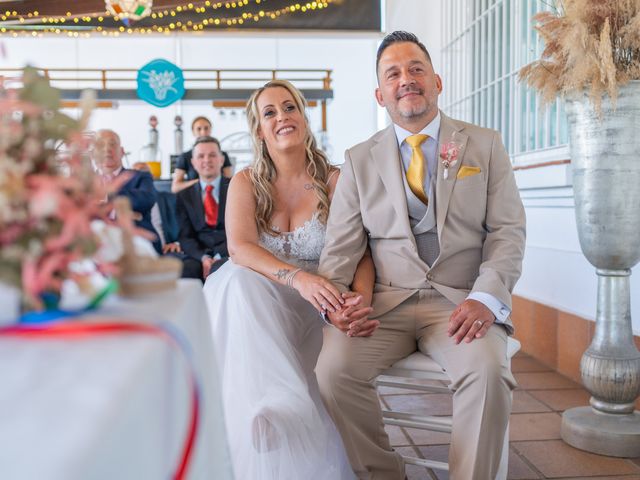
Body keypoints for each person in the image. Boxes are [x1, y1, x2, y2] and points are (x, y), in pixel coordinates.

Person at [316, 31, 526, 480]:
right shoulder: (357, 159)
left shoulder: (484, 145)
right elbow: (341, 248)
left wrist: (485, 299)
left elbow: (507, 233)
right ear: (380, 93)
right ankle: (384, 473)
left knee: (489, 372)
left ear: (437, 81)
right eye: (393, 73)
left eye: (416, 69)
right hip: (384, 306)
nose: (406, 80)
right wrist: (336, 307)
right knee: (333, 372)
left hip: (461, 303)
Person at [203, 79, 374, 480]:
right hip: (268, 298)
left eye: (290, 107)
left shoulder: (335, 180)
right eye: (270, 112)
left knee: (245, 289)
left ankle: (283, 414)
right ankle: (268, 409)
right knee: (237, 282)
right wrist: (297, 278)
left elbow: (364, 251)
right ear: (260, 130)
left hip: (320, 306)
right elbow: (240, 248)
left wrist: (359, 301)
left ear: (303, 116)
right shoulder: (246, 182)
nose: (282, 117)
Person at [92, 129, 161, 254]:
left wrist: (109, 193)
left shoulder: (140, 176)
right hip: (95, 241)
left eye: (112, 144)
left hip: (136, 240)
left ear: (122, 151)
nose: (107, 149)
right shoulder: (83, 183)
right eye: (101, 145)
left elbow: (146, 200)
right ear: (93, 154)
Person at [175, 136, 230, 279]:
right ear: (193, 162)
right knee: (184, 271)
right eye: (201, 156)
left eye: (212, 155)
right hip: (198, 255)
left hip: (230, 251)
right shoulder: (183, 196)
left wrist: (219, 255)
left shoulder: (236, 188)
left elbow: (243, 229)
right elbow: (185, 237)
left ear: (222, 159)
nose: (207, 160)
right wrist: (204, 257)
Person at [131, 161, 182, 255]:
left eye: (144, 174)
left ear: (152, 177)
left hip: (167, 250)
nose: (140, 178)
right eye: (135, 174)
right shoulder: (125, 203)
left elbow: (185, 227)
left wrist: (177, 243)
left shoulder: (171, 199)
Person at [171, 116, 233, 193]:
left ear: (221, 159)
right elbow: (175, 187)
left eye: (206, 128)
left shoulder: (222, 154)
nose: (203, 132)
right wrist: (201, 183)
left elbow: (231, 183)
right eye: (199, 129)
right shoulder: (184, 157)